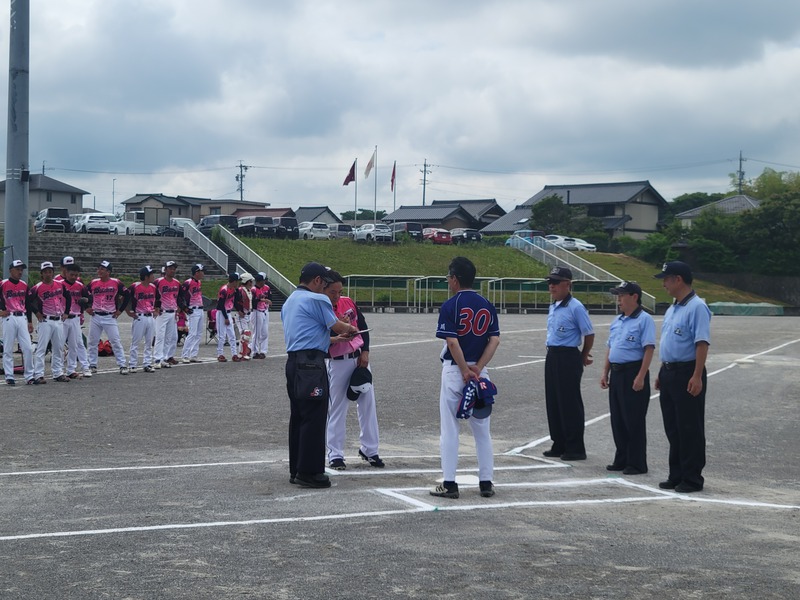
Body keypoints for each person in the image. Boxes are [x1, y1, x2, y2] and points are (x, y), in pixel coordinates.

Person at [281, 262, 358, 489]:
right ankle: (310, 471)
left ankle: (297, 468)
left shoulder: (290, 300)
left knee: (299, 416)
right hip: (312, 365)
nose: (325, 288)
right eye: (324, 283)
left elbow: (307, 333)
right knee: (315, 416)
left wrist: (332, 339)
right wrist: (350, 328)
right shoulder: (318, 299)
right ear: (316, 281)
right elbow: (336, 325)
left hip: (295, 362)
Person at [430, 256, 500, 499]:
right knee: (482, 430)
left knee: (450, 428)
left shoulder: (451, 305)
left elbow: (452, 341)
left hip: (455, 371)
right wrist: (478, 367)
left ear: (456, 279)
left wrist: (463, 369)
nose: (449, 282)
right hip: (480, 374)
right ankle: (486, 482)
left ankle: (449, 483)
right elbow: (494, 339)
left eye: (449, 277)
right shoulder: (487, 304)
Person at [654, 261, 711, 493]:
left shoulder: (697, 307)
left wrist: (697, 375)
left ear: (678, 279)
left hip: (687, 371)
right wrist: (661, 371)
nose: (664, 283)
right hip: (669, 371)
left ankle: (692, 477)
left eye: (666, 279)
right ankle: (676, 473)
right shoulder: (673, 307)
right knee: (673, 427)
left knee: (689, 427)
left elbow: (701, 343)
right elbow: (669, 343)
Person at [323, 270, 384, 471]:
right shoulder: (320, 306)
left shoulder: (347, 302)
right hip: (337, 361)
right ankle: (335, 454)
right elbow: (321, 335)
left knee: (368, 403)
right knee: (337, 408)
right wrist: (338, 326)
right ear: (323, 289)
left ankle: (370, 449)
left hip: (359, 359)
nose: (337, 296)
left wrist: (365, 352)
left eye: (339, 291)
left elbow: (363, 326)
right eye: (333, 292)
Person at [600, 281, 655, 475]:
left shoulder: (644, 319)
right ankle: (621, 458)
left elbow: (649, 349)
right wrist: (605, 372)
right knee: (618, 419)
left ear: (634, 297)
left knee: (633, 419)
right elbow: (610, 347)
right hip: (617, 373)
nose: (619, 300)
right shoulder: (618, 321)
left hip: (633, 373)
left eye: (622, 295)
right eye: (618, 295)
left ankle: (637, 462)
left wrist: (641, 376)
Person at [543, 266, 595, 461]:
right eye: (550, 282)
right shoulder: (554, 306)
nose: (551, 286)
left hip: (568, 356)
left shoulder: (576, 307)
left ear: (567, 284)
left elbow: (589, 333)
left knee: (569, 403)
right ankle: (559, 443)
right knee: (554, 401)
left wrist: (584, 354)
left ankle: (575, 447)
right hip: (553, 355)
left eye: (555, 282)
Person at [28, 261, 71, 383]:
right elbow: (28, 301)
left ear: (53, 273)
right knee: (41, 348)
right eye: (45, 272)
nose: (48, 274)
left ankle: (58, 373)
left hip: (58, 320)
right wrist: (36, 312)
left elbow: (68, 297)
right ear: (41, 274)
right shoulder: (38, 287)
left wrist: (67, 311)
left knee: (58, 348)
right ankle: (38, 374)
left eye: (50, 272)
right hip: (45, 320)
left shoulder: (60, 285)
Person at [86, 260, 130, 375]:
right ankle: (92, 364)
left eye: (102, 269)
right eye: (98, 268)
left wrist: (120, 310)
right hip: (96, 315)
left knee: (115, 340)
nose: (99, 271)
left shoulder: (116, 282)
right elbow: (83, 294)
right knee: (92, 341)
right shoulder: (93, 282)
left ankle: (122, 365)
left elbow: (127, 294)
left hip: (110, 316)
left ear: (108, 272)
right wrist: (86, 307)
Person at [1, 260, 34, 385]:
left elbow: (28, 303)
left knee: (28, 348)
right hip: (9, 317)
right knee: (8, 348)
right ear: (11, 270)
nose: (20, 272)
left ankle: (29, 375)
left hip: (22, 317)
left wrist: (30, 321)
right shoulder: (3, 284)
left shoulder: (24, 285)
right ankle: (9, 376)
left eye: (21, 269)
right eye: (17, 269)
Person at [62, 261, 93, 379]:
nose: (74, 277)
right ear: (66, 273)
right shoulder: (60, 284)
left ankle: (71, 369)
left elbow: (90, 298)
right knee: (60, 344)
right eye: (71, 275)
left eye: (76, 275)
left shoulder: (80, 286)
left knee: (74, 344)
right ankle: (59, 370)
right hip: (64, 317)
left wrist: (85, 301)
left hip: (75, 317)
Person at [126, 266, 157, 373]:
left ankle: (147, 363)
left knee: (149, 342)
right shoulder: (135, 286)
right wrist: (128, 312)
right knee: (136, 342)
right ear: (146, 276)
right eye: (151, 274)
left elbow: (157, 300)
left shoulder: (153, 287)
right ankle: (132, 364)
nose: (153, 276)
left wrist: (156, 310)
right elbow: (124, 298)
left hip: (150, 316)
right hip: (139, 316)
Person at [154, 260, 180, 368]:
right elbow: (152, 294)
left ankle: (164, 357)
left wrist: (178, 309)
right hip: (162, 312)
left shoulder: (177, 283)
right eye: (170, 268)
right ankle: (157, 359)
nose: (172, 270)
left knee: (169, 337)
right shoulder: (158, 282)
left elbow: (179, 297)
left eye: (174, 268)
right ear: (165, 269)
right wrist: (155, 307)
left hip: (172, 312)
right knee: (160, 336)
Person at [178, 263, 205, 363]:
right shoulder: (188, 283)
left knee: (199, 333)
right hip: (193, 309)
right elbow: (181, 296)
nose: (203, 273)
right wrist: (185, 308)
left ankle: (194, 354)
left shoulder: (199, 282)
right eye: (201, 271)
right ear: (196, 272)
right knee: (192, 333)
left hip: (200, 308)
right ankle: (185, 355)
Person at [216, 273, 242, 362]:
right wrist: (226, 317)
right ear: (234, 281)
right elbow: (220, 305)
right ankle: (220, 354)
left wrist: (239, 310)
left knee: (232, 335)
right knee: (222, 335)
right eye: (237, 281)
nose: (238, 283)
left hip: (228, 312)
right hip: (221, 313)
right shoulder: (224, 290)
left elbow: (235, 302)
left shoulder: (233, 290)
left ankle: (234, 354)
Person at [250, 272, 272, 359]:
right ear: (260, 281)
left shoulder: (267, 288)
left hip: (265, 310)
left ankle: (263, 351)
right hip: (257, 311)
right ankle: (254, 351)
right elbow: (253, 302)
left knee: (265, 333)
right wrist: (263, 300)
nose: (265, 282)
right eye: (264, 280)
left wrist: (267, 301)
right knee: (257, 333)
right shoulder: (253, 289)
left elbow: (270, 298)